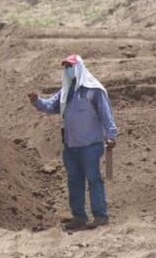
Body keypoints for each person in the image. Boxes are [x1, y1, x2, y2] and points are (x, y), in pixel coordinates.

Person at [28, 54, 117, 229]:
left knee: (93, 179)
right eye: (66, 67)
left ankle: (100, 215)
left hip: (90, 146)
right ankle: (79, 217)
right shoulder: (65, 92)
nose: (68, 70)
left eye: (70, 66)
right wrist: (36, 101)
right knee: (74, 181)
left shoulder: (94, 90)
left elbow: (106, 114)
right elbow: (50, 106)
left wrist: (111, 134)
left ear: (79, 68)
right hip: (71, 147)